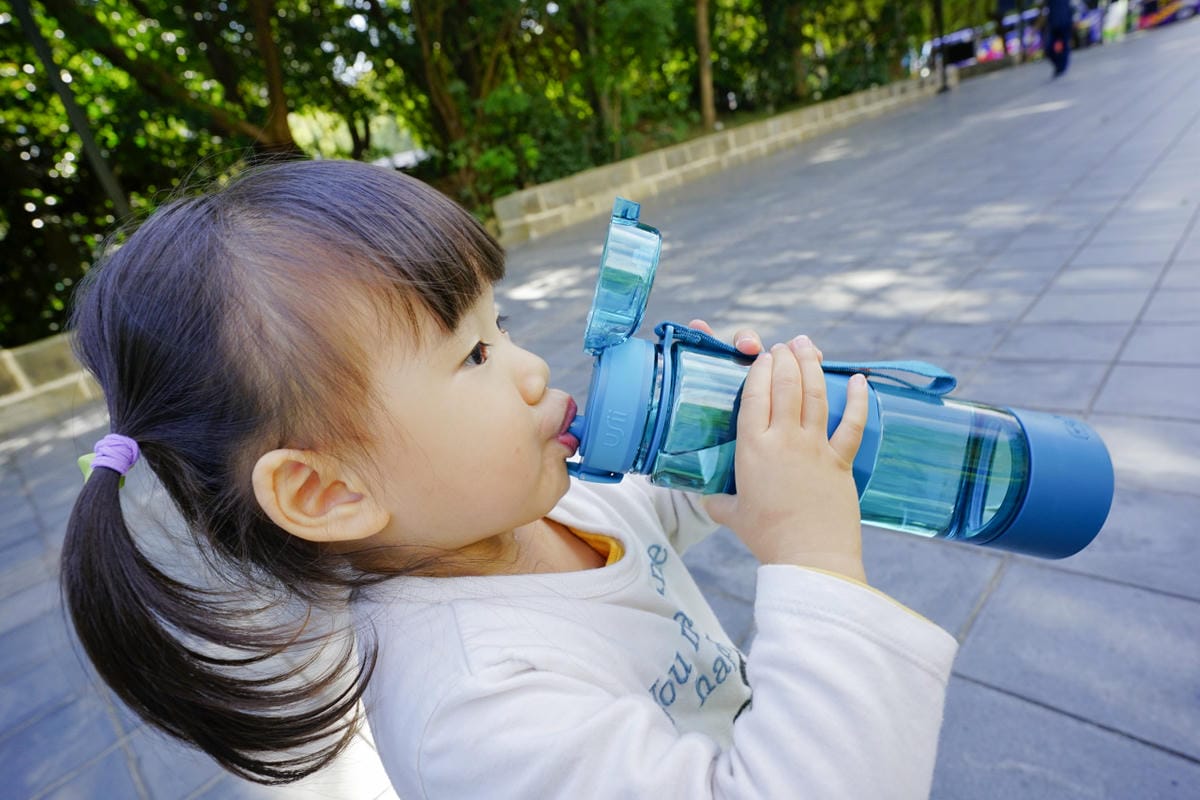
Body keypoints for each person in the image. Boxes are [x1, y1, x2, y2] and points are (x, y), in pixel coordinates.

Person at [64, 159, 958, 798]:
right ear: (329, 492)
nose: (531, 369)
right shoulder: (476, 709)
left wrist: (715, 436)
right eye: (476, 352)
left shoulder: (527, 500)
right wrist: (812, 550)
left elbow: (664, 501)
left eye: (506, 322)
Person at [1045, 0, 1074, 75]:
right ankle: (1060, 65)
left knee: (1064, 46)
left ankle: (1061, 67)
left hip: (1065, 23)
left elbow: (1071, 6)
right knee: (1049, 49)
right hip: (1054, 25)